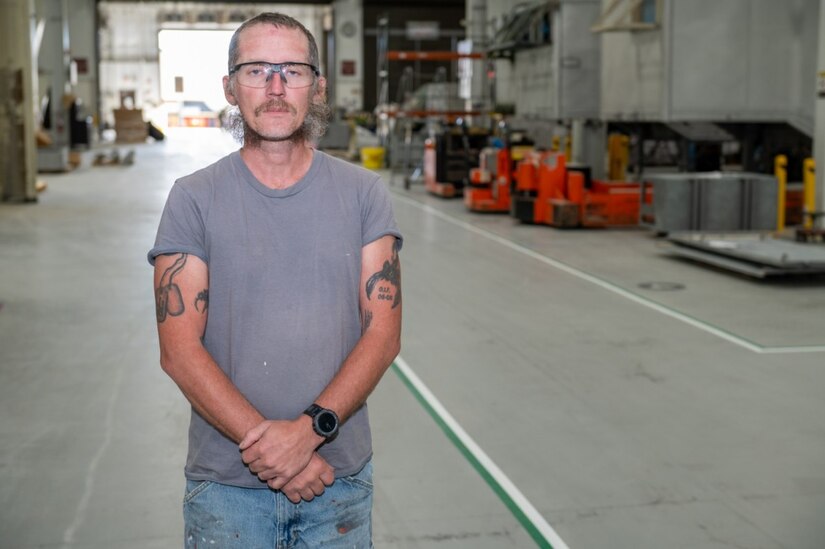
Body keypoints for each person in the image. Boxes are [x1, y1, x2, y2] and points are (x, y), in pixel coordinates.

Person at [148, 12, 402, 548]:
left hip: (338, 485)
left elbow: (383, 334)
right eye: (257, 69)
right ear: (230, 87)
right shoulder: (193, 198)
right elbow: (179, 350)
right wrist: (280, 455)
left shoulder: (364, 194)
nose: (277, 86)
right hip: (227, 492)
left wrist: (308, 434)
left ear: (318, 85)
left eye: (293, 69)